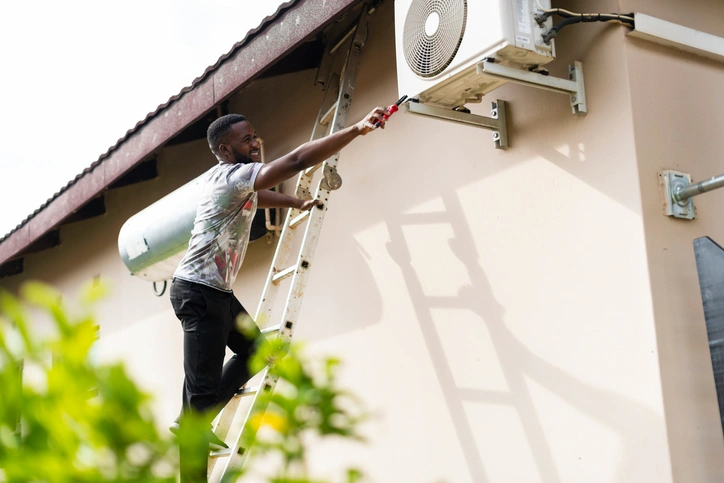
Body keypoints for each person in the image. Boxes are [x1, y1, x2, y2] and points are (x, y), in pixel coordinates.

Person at [169, 105, 390, 480]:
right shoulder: (231, 176)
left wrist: (292, 202)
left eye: (255, 136)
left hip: (215, 291)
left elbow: (256, 199)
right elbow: (299, 159)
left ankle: (193, 416)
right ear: (225, 149)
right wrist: (355, 130)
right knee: (199, 400)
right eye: (246, 140)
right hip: (198, 292)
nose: (256, 144)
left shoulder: (228, 178)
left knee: (256, 352)